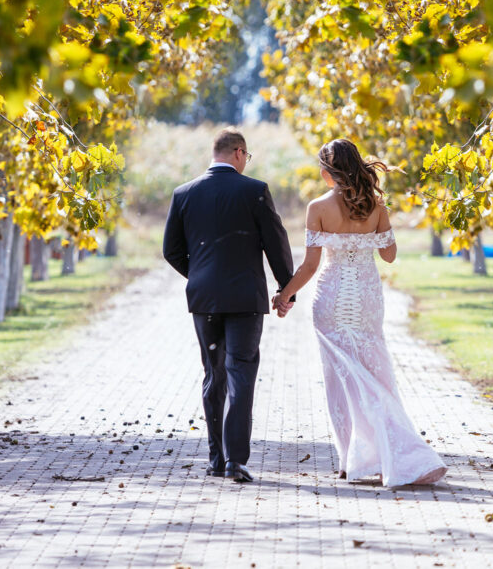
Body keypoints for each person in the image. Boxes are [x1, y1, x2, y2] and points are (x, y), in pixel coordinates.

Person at [272, 139, 447, 487]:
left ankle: (349, 460)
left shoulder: (317, 207)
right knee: (375, 375)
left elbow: (310, 266)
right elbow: (389, 256)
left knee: (340, 379)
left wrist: (284, 295)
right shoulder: (377, 205)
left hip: (331, 299)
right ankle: (380, 455)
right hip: (367, 300)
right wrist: (378, 222)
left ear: (327, 172)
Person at [163, 127, 295, 482]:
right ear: (238, 152)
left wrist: (199, 274)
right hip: (245, 298)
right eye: (246, 156)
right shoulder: (254, 191)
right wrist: (286, 289)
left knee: (213, 374)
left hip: (204, 298)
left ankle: (215, 459)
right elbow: (276, 243)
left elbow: (171, 250)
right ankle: (236, 460)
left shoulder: (184, 193)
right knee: (241, 373)